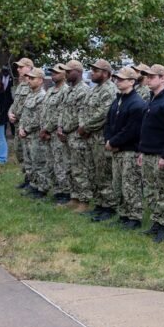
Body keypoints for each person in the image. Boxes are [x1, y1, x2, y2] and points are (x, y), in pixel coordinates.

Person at [136, 64, 164, 242]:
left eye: (152, 76)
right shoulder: (152, 99)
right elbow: (147, 128)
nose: (148, 79)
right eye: (147, 76)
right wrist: (141, 151)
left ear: (163, 78)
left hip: (160, 154)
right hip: (148, 152)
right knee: (151, 191)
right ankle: (157, 221)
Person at [105, 66, 146, 230]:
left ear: (132, 81)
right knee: (119, 184)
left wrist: (114, 142)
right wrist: (108, 140)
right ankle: (123, 214)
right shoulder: (118, 100)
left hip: (129, 150)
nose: (117, 81)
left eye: (121, 79)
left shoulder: (137, 103)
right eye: (117, 78)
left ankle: (134, 217)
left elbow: (131, 130)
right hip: (116, 149)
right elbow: (108, 122)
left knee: (131, 186)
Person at [80, 59, 118, 222]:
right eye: (92, 70)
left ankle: (109, 206)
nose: (92, 73)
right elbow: (83, 108)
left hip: (101, 138)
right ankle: (99, 204)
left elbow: (104, 114)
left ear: (105, 73)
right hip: (90, 138)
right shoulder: (94, 90)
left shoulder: (110, 90)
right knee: (93, 171)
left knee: (104, 174)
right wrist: (83, 125)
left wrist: (86, 127)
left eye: (95, 71)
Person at [60, 60, 92, 213]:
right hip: (66, 135)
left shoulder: (84, 90)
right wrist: (60, 128)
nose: (65, 74)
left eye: (68, 71)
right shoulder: (68, 90)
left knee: (80, 169)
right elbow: (63, 111)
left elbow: (81, 116)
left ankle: (84, 200)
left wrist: (66, 129)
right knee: (69, 167)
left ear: (78, 72)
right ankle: (74, 197)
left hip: (77, 136)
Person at [19, 67, 51, 198]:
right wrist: (21, 127)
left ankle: (42, 189)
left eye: (32, 78)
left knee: (39, 163)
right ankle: (33, 184)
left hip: (36, 136)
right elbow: (24, 114)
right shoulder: (30, 95)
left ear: (41, 80)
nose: (29, 81)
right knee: (30, 162)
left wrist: (26, 129)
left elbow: (39, 119)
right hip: (27, 136)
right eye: (29, 78)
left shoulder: (42, 97)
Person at [42, 64, 71, 203]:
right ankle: (57, 190)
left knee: (61, 164)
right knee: (51, 163)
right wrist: (44, 129)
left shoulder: (65, 91)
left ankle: (65, 192)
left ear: (65, 74)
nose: (53, 74)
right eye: (52, 72)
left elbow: (60, 112)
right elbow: (45, 111)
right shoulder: (50, 90)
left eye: (57, 72)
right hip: (47, 133)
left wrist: (47, 128)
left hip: (57, 133)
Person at [8, 57, 34, 185]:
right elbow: (15, 103)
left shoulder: (33, 83)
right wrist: (10, 112)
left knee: (30, 153)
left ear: (29, 67)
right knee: (19, 152)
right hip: (17, 124)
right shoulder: (20, 84)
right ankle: (27, 177)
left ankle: (32, 180)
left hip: (27, 125)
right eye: (18, 67)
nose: (18, 69)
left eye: (21, 67)